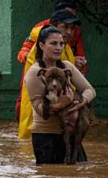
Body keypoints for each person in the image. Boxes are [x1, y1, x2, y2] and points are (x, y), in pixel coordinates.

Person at [25, 25, 96, 164]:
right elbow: (39, 108)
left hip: (71, 134)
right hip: (46, 136)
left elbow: (90, 90)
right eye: (53, 43)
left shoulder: (67, 66)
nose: (59, 47)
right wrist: (61, 104)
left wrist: (80, 103)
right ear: (41, 45)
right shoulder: (35, 72)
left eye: (61, 43)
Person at [17, 9, 81, 139]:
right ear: (54, 27)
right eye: (65, 27)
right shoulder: (46, 50)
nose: (69, 32)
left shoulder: (65, 47)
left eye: (72, 28)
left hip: (59, 119)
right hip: (41, 121)